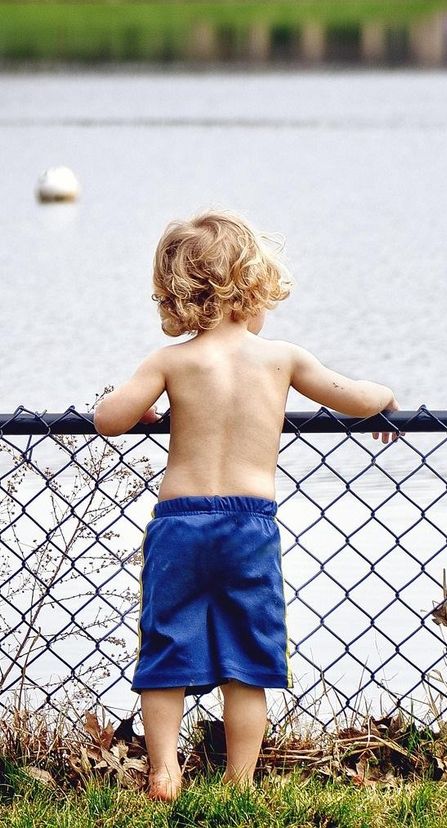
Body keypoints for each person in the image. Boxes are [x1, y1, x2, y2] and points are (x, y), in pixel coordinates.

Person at [94, 209, 401, 801]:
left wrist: (133, 405)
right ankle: (239, 780)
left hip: (180, 524)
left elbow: (109, 419)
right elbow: (357, 400)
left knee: (166, 647)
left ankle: (163, 770)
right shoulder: (281, 358)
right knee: (246, 658)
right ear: (251, 287)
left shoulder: (171, 361)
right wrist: (387, 395)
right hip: (248, 526)